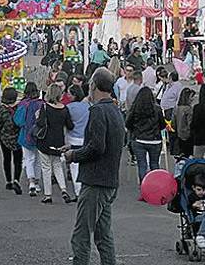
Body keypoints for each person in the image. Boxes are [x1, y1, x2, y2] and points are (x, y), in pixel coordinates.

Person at [63, 67, 125, 265]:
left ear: (94, 86)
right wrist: (74, 146)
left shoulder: (98, 110)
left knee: (81, 234)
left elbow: (97, 147)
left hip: (95, 180)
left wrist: (74, 154)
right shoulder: (114, 109)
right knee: (103, 235)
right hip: (109, 180)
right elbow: (104, 143)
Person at [35, 83, 74, 204]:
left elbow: (40, 124)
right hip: (59, 141)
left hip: (45, 141)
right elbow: (70, 126)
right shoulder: (64, 109)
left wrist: (37, 117)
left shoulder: (45, 107)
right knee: (57, 165)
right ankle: (63, 189)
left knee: (46, 167)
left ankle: (48, 194)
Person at [126, 87, 166, 183]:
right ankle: (156, 186)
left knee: (142, 164)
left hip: (139, 139)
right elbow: (162, 125)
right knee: (154, 164)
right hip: (155, 140)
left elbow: (128, 123)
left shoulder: (135, 108)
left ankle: (144, 186)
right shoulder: (157, 109)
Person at [15, 82, 44, 196]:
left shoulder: (23, 104)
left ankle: (31, 182)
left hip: (26, 135)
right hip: (40, 136)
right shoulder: (42, 104)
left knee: (29, 159)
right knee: (38, 160)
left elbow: (18, 121)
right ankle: (37, 183)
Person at [0, 87, 23, 195]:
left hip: (4, 138)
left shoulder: (1, 109)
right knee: (18, 160)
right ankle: (17, 179)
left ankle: (8, 181)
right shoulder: (19, 108)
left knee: (6, 159)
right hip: (17, 137)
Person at [66, 85, 89, 197]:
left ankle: (78, 191)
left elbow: (68, 124)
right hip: (85, 138)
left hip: (73, 139)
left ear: (74, 95)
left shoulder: (69, 107)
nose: (67, 95)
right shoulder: (88, 106)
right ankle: (84, 189)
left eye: (69, 93)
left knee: (74, 168)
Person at [173, 88, 196, 157]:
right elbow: (191, 123)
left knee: (182, 155)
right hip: (188, 136)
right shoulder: (189, 109)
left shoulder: (176, 108)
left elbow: (173, 123)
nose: (193, 99)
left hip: (179, 135)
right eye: (191, 97)